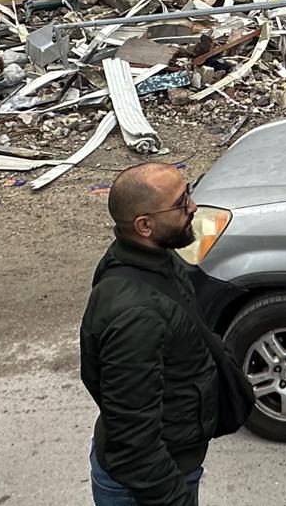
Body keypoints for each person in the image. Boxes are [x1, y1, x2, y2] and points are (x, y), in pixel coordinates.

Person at [81, 164, 220, 506]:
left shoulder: (154, 259)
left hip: (172, 467)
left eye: (189, 191)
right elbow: (133, 443)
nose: (193, 206)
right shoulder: (136, 316)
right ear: (145, 225)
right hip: (149, 489)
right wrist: (177, 500)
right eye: (181, 202)